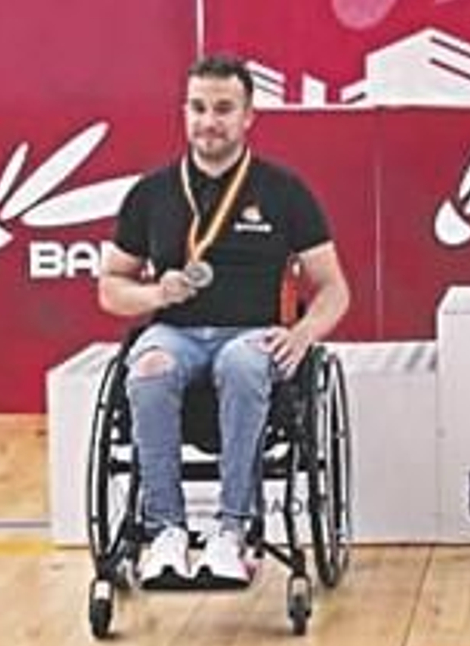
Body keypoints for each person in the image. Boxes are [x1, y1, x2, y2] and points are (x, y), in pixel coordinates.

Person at [98, 55, 350, 589]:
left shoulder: (284, 191)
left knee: (241, 365)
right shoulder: (152, 193)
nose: (208, 121)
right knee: (148, 368)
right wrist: (154, 292)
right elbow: (111, 287)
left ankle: (234, 531)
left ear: (248, 115)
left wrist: (302, 335)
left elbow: (334, 289)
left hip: (252, 334)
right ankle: (164, 531)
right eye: (198, 108)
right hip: (175, 333)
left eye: (222, 109)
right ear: (184, 112)